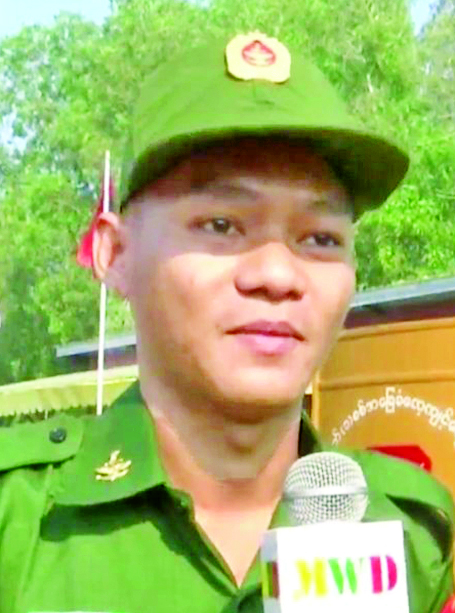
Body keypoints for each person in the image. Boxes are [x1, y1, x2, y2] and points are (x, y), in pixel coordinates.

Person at [0, 32, 453, 613]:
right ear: (116, 255)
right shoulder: (19, 521)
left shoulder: (416, 534)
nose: (277, 275)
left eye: (320, 238)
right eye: (221, 226)